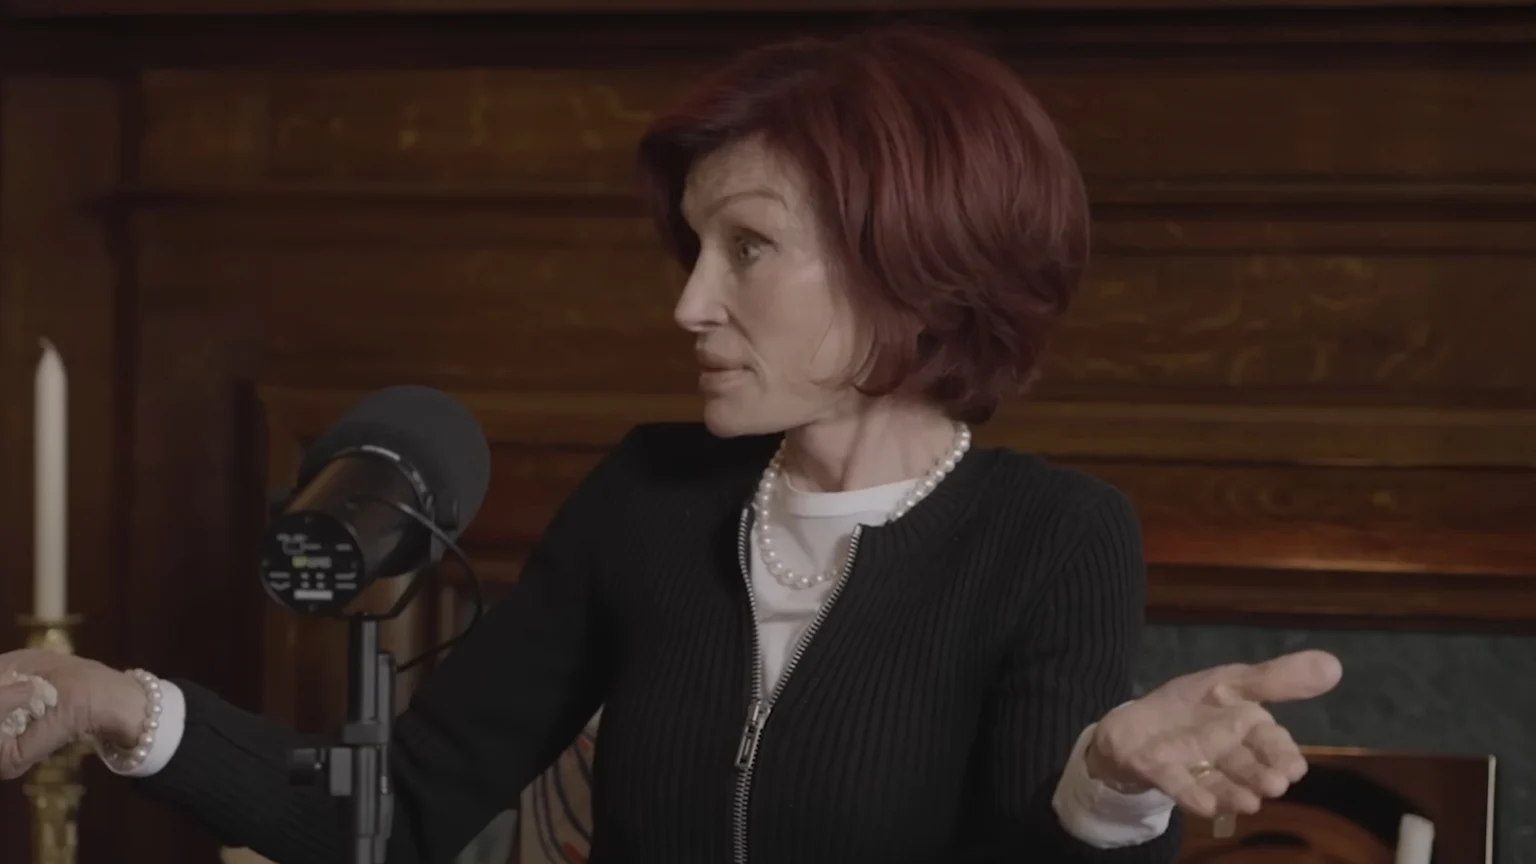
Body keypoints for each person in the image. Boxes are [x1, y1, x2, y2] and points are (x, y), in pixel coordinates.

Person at [0, 24, 1342, 864]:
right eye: (694, 247)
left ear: (914, 269)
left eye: (748, 248)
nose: (689, 303)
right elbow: (392, 814)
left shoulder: (1054, 536)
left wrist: (1107, 785)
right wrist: (121, 703)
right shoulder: (646, 496)